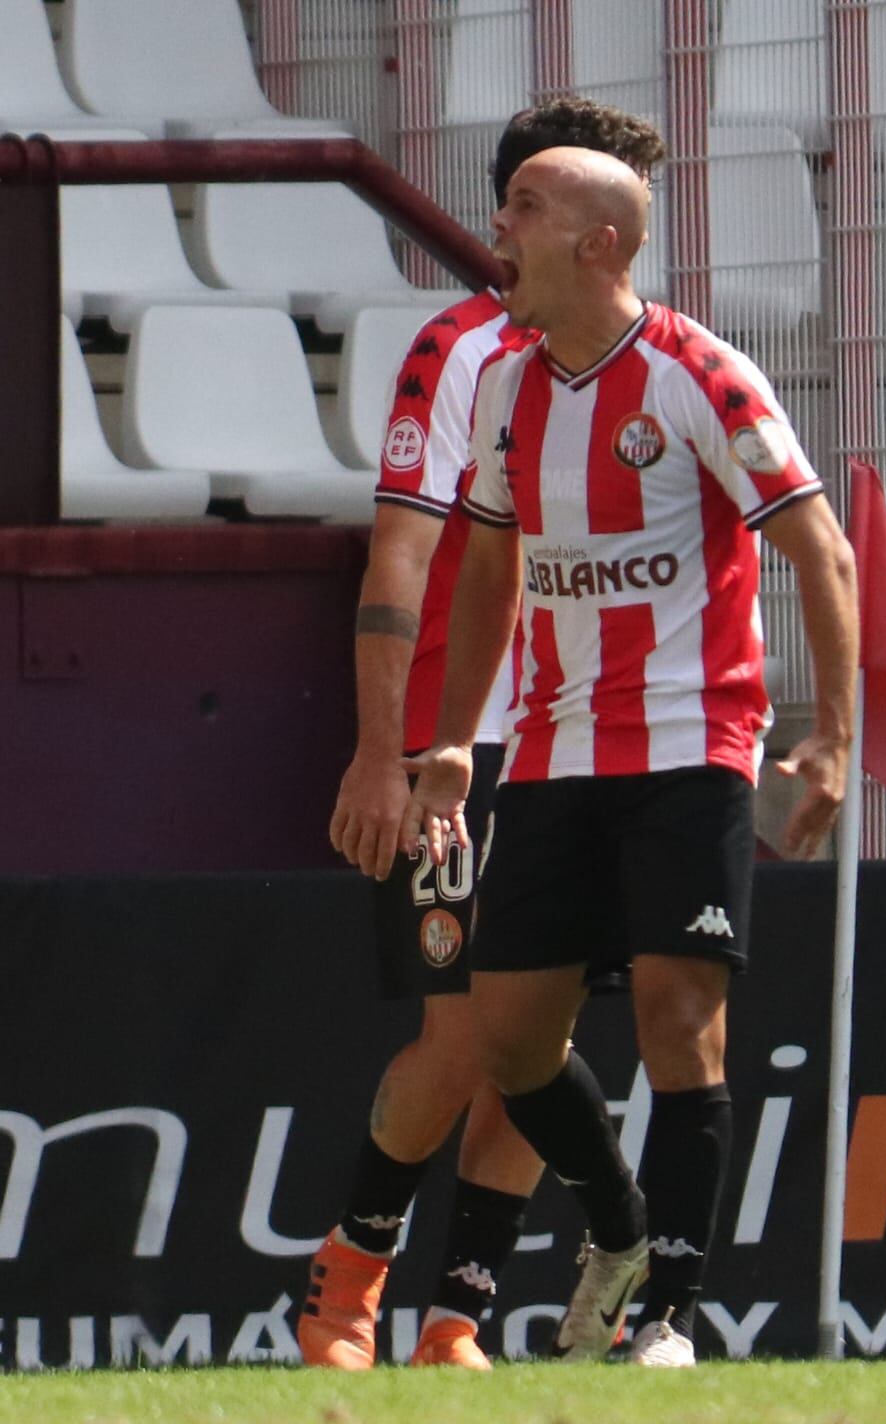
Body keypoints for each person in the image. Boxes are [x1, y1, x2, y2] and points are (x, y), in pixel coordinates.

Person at [404, 145, 859, 1369]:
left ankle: (665, 1318)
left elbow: (823, 550)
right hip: (552, 748)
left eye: (525, 210)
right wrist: (456, 736)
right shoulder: (504, 389)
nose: (497, 229)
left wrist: (829, 734)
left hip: (690, 742)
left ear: (598, 243)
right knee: (509, 1040)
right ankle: (620, 1228)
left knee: (678, 1015)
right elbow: (495, 563)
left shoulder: (698, 376)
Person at [303, 100, 668, 1372]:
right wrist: (380, 749)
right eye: (523, 206)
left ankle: (455, 1317)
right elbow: (397, 555)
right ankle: (344, 1291)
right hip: (464, 739)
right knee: (460, 1037)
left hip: (590, 747)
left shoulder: (650, 368)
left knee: (541, 1033)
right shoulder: (457, 352)